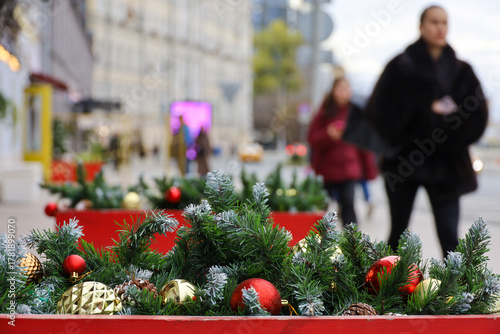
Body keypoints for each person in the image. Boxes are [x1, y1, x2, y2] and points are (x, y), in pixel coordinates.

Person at [366, 6, 488, 256]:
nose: (440, 28)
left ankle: (457, 294)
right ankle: (386, 291)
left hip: (447, 165)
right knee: (397, 237)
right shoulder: (400, 67)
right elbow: (378, 112)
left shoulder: (462, 71)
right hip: (404, 162)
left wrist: (445, 128)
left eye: (444, 22)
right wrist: (425, 111)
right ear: (421, 26)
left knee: (450, 238)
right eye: (434, 22)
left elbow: (478, 117)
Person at [308, 77, 377, 226]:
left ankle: (352, 244)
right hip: (326, 171)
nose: (343, 92)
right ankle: (318, 244)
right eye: (340, 88)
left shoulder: (356, 113)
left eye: (347, 88)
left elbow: (364, 145)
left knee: (349, 206)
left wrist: (369, 170)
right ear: (333, 91)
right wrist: (328, 134)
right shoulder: (324, 112)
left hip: (349, 171)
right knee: (322, 210)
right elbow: (312, 139)